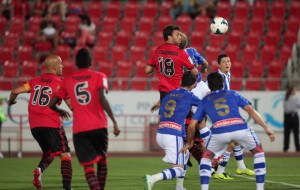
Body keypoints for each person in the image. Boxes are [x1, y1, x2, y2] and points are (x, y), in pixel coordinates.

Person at [181, 72, 275, 190]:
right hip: (240, 128)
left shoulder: (205, 100)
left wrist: (189, 142)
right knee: (258, 151)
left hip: (219, 131)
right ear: (222, 84)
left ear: (209, 86)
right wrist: (266, 128)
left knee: (206, 158)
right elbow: (251, 111)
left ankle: (204, 188)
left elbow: (192, 125)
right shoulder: (233, 93)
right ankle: (260, 188)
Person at [49, 48, 121, 190]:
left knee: (88, 166)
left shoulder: (67, 81)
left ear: (76, 63)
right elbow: (102, 98)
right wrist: (114, 121)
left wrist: (60, 110)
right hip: (99, 126)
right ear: (90, 62)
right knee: (102, 161)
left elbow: (51, 104)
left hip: (80, 130)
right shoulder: (99, 76)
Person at [6, 55, 73, 190]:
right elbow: (72, 106)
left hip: (35, 126)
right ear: (54, 66)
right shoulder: (61, 83)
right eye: (60, 64)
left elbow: (14, 91)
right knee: (65, 154)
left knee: (49, 152)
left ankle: (39, 170)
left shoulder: (34, 81)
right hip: (51, 123)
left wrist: (11, 102)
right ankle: (67, 188)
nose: (62, 66)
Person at [144, 71, 200, 190]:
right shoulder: (189, 95)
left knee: (184, 156)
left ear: (180, 81)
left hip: (161, 134)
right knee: (178, 170)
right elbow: (204, 105)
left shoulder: (169, 94)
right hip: (173, 134)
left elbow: (160, 116)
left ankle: (179, 187)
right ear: (194, 84)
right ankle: (152, 179)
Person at [212, 54, 255, 179]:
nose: (227, 63)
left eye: (229, 61)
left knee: (234, 141)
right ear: (219, 65)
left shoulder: (227, 75)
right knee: (230, 142)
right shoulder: (218, 78)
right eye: (224, 62)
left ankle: (241, 167)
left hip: (226, 111)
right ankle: (219, 171)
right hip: (221, 113)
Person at [145, 24, 198, 103]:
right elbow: (195, 72)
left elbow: (147, 70)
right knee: (184, 115)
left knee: (165, 114)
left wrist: (159, 65)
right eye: (177, 35)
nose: (180, 37)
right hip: (178, 91)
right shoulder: (181, 53)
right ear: (169, 37)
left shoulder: (157, 51)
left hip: (164, 92)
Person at [283, 86, 300, 152]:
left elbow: (285, 108)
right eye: (294, 90)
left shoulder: (286, 98)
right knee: (296, 133)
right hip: (294, 116)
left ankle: (285, 148)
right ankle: (297, 148)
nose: (295, 91)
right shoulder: (296, 98)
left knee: (287, 134)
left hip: (287, 116)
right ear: (292, 91)